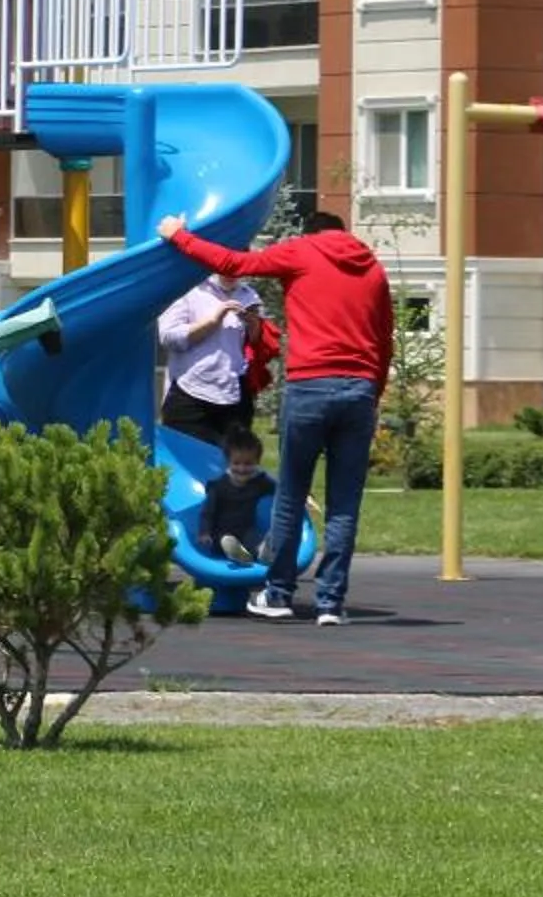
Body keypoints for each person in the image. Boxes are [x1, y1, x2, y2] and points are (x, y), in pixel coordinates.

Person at [156, 209, 394, 626]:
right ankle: (330, 604)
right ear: (345, 234)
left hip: (310, 387)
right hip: (358, 391)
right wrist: (370, 394)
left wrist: (179, 237)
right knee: (343, 505)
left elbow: (234, 264)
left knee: (291, 493)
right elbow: (384, 340)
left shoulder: (301, 252)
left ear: (310, 234)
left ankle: (279, 593)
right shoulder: (373, 269)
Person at [157, 272, 261, 447]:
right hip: (191, 393)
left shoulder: (248, 294)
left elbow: (252, 342)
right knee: (190, 465)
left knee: (233, 467)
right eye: (226, 266)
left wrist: (253, 324)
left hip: (235, 394)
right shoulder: (188, 290)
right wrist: (213, 321)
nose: (231, 272)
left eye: (237, 266)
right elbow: (168, 337)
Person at [199, 427, 275, 567]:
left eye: (248, 464)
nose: (242, 468)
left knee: (254, 538)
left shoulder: (260, 482)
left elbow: (282, 490)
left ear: (257, 462)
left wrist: (304, 496)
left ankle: (261, 552)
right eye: (236, 463)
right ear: (228, 462)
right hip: (221, 532)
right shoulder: (218, 486)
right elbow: (207, 513)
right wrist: (204, 532)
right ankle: (237, 554)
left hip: (246, 530)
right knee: (225, 541)